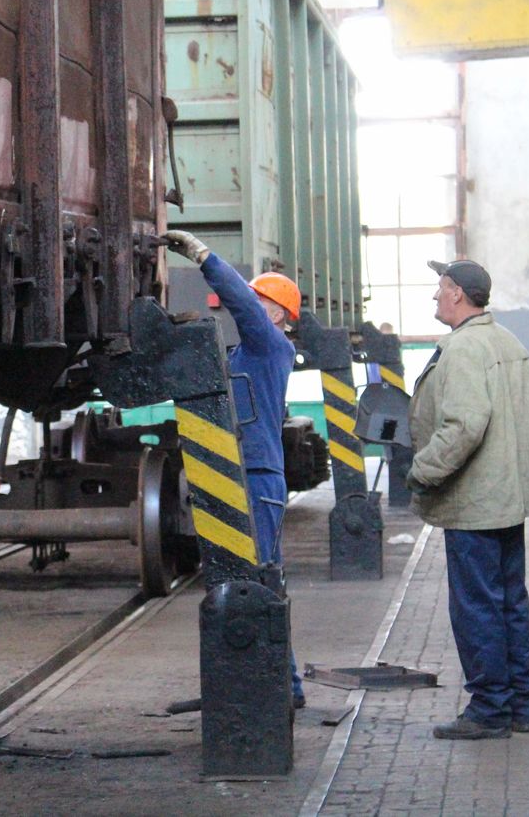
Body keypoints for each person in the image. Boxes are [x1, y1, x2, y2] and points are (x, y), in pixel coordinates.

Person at [164, 229, 306, 709]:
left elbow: (241, 306)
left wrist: (205, 259)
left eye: (258, 299)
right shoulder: (249, 353)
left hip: (259, 478)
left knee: (259, 583)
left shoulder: (270, 346)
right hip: (249, 476)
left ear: (277, 314)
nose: (249, 305)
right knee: (259, 581)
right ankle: (278, 685)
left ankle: (279, 688)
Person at [407, 259, 529, 740]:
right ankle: (522, 704)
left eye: (440, 289)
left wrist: (422, 471)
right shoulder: (509, 343)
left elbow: (464, 426)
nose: (435, 297)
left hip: (475, 503)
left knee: (477, 607)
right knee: (510, 604)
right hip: (507, 498)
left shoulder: (463, 349)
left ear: (458, 294)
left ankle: (488, 709)